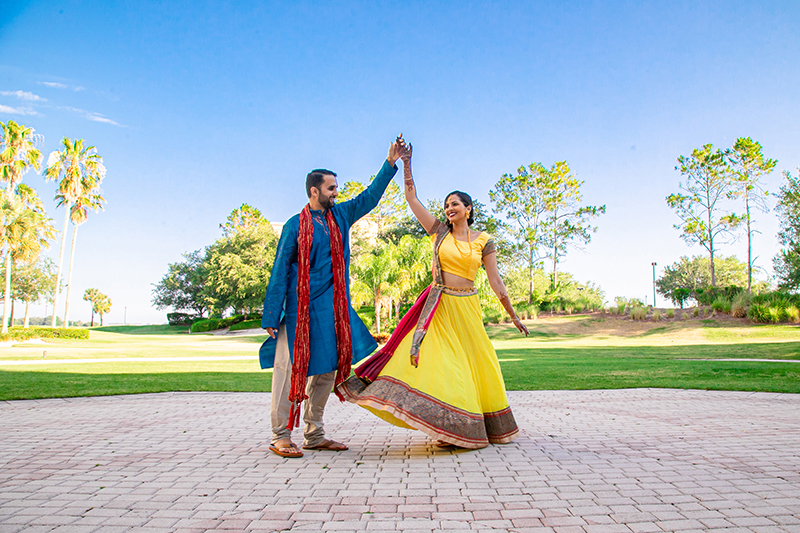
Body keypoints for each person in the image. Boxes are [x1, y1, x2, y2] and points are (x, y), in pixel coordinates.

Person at [338, 141, 529, 449]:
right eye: (446, 205)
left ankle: (479, 426)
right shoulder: (438, 232)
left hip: (467, 308)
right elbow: (411, 198)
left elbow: (496, 282)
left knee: (479, 362)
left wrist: (514, 316)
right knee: (443, 364)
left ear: (468, 209)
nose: (449, 208)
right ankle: (450, 428)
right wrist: (407, 163)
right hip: (439, 308)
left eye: (455, 204)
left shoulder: (484, 241)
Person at [260, 136, 405, 458]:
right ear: (314, 191)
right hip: (300, 310)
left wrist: (390, 162)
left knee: (327, 371)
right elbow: (280, 269)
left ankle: (314, 434)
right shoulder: (295, 226)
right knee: (287, 369)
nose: (336, 192)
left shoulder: (340, 216)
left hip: (334, 308)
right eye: (330, 188)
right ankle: (280, 435)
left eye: (336, 188)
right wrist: (271, 314)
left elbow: (370, 197)